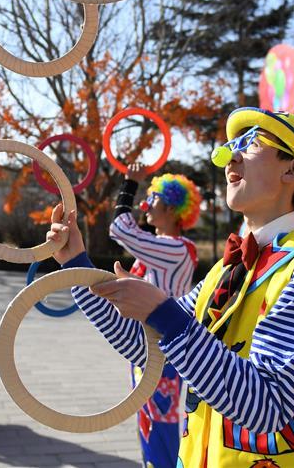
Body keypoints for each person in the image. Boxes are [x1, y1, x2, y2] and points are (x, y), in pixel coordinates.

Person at [46, 107, 294, 466]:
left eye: (251, 144)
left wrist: (163, 312)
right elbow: (145, 348)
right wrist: (76, 265)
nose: (231, 156)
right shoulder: (227, 270)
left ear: (291, 169)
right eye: (231, 145)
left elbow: (268, 404)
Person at [110, 163, 201, 467]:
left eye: (155, 199)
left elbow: (121, 229)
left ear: (175, 210)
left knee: (160, 425)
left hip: (163, 351)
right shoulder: (163, 249)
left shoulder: (175, 248)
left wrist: (129, 184)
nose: (146, 205)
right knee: (147, 422)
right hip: (147, 349)